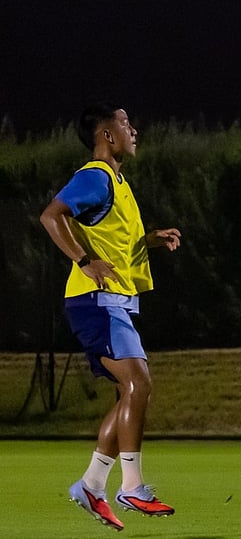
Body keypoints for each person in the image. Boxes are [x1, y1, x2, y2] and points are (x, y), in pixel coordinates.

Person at [40, 103, 181, 530]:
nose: (133, 130)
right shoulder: (96, 176)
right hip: (94, 302)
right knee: (138, 384)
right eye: (124, 123)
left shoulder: (117, 182)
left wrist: (150, 240)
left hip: (114, 302)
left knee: (130, 394)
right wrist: (85, 261)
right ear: (105, 134)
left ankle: (92, 483)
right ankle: (132, 487)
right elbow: (51, 215)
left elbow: (115, 240)